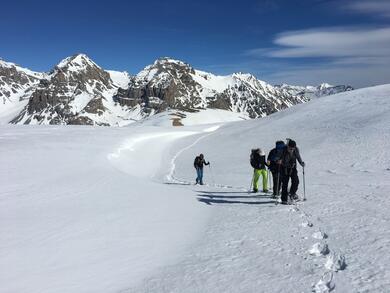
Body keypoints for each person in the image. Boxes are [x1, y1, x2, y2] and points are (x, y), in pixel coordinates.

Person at [279, 139, 305, 204]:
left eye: (293, 148)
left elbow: (298, 157)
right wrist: (279, 160)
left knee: (296, 181)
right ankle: (284, 199)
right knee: (285, 183)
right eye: (290, 148)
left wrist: (301, 163)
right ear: (287, 146)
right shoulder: (283, 150)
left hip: (293, 168)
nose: (291, 150)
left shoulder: (296, 149)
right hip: (284, 168)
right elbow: (279, 158)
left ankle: (292, 194)